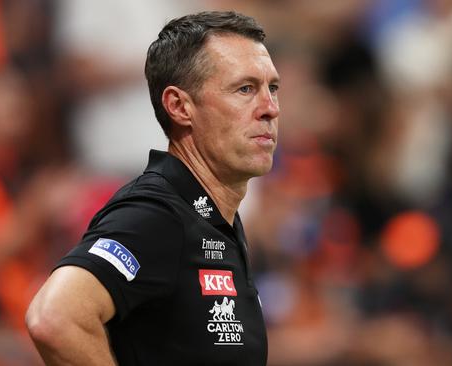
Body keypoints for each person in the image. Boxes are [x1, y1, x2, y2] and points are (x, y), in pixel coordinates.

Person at [26, 10, 280, 365]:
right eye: (245, 89)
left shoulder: (211, 220)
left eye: (273, 88)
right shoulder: (157, 214)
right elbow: (55, 318)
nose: (270, 108)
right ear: (179, 106)